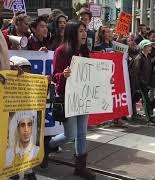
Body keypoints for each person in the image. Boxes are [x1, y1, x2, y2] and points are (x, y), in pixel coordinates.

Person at [41, 20, 96, 180]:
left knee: (82, 134)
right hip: (67, 97)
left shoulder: (85, 52)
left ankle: (80, 167)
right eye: (80, 31)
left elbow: (90, 74)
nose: (84, 34)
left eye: (85, 30)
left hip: (83, 96)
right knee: (70, 135)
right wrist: (63, 75)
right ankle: (48, 145)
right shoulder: (61, 51)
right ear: (73, 33)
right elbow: (55, 76)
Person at [6, 111, 39, 180]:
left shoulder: (37, 150)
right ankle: (14, 171)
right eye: (22, 125)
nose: (26, 130)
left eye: (29, 125)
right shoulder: (8, 153)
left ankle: (28, 170)